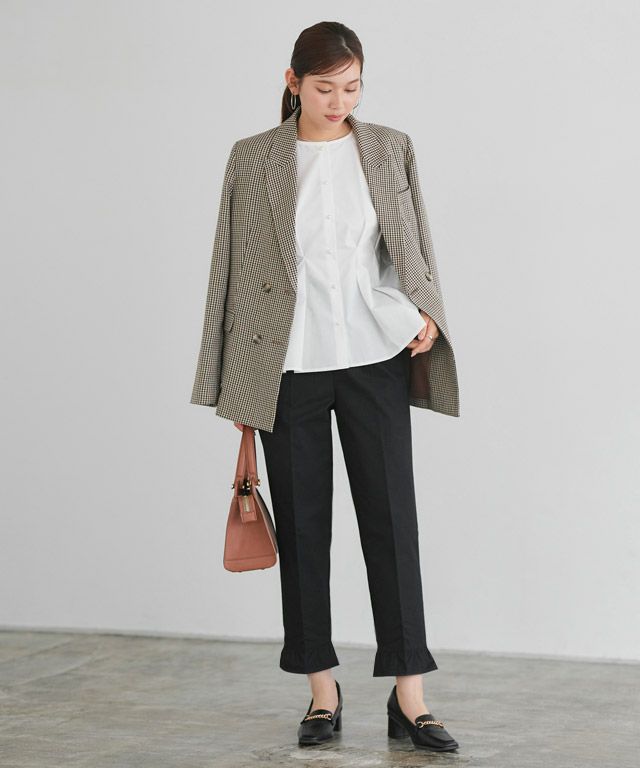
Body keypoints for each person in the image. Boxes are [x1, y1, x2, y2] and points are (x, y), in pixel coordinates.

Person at [190, 21, 460, 752]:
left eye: (352, 87)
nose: (340, 101)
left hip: (374, 353)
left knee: (392, 522)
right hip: (288, 364)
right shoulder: (254, 158)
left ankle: (411, 697)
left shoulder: (389, 147)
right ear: (292, 83)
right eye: (324, 88)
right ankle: (320, 690)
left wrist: (428, 311)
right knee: (305, 529)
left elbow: (414, 243)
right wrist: (231, 379)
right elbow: (228, 265)